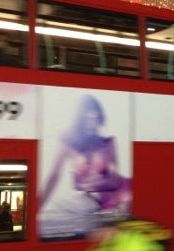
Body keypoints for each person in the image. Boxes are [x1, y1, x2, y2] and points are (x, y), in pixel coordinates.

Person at [39, 95, 131, 239]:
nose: (92, 122)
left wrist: (86, 184)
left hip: (113, 198)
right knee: (48, 215)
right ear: (80, 119)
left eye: (96, 118)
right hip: (88, 201)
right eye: (88, 118)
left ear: (100, 119)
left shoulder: (108, 142)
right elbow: (53, 176)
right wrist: (36, 207)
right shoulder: (67, 141)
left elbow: (113, 181)